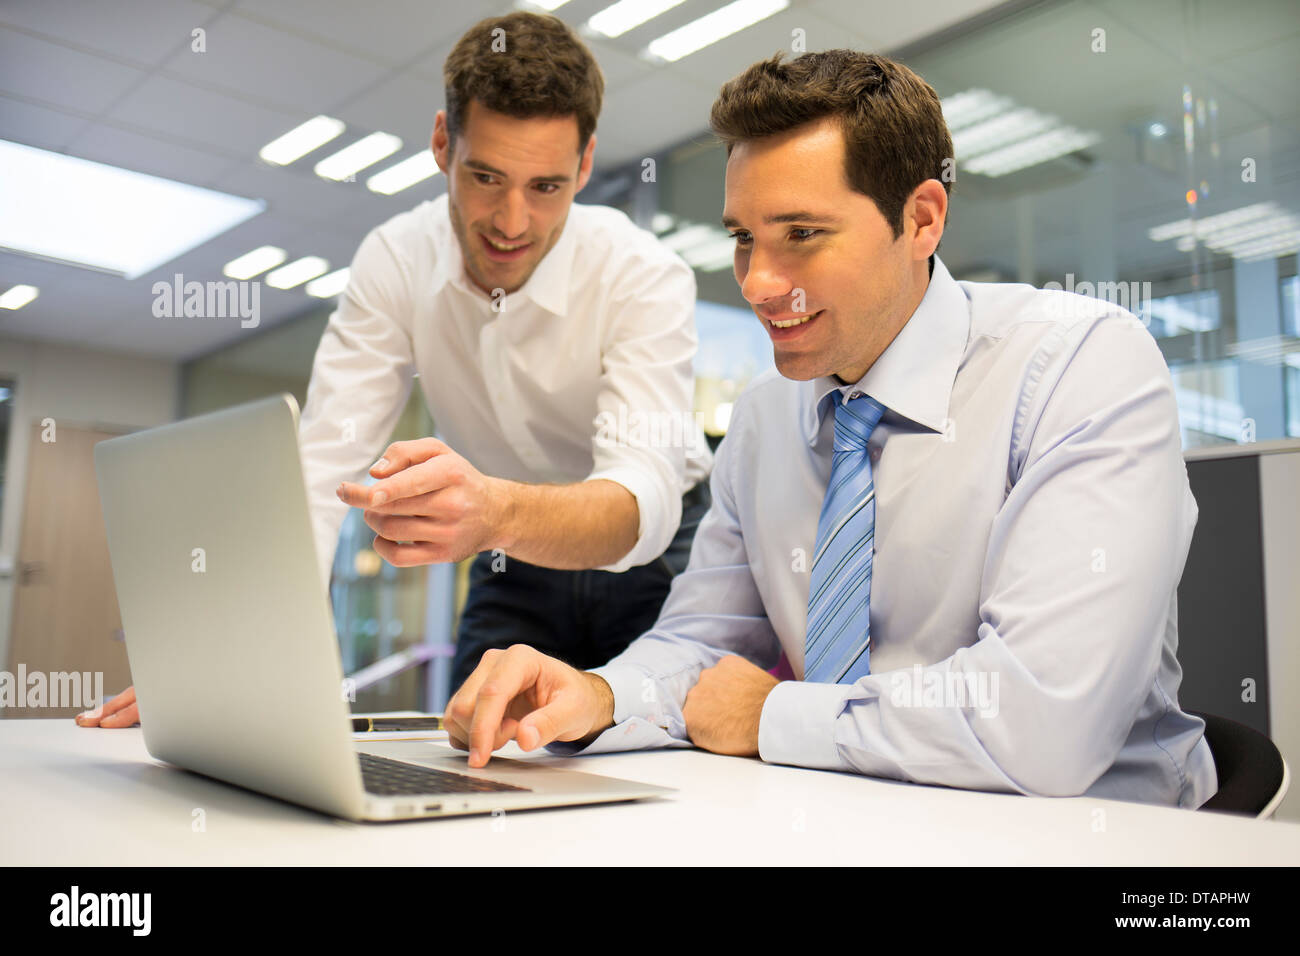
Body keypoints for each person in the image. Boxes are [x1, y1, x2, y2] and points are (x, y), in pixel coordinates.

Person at [441, 50, 1218, 809]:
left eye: (802, 235)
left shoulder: (1080, 367)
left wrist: (774, 715)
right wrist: (598, 693)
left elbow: (1046, 721)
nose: (757, 282)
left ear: (920, 219)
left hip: (1096, 837)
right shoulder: (765, 416)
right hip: (841, 818)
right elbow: (707, 642)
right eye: (744, 237)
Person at [75, 11, 711, 729]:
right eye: (486, 176)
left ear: (586, 166)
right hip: (513, 556)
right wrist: (232, 663)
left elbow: (645, 502)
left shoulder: (642, 274)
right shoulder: (395, 259)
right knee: (479, 750)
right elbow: (321, 472)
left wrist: (497, 512)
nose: (511, 220)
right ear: (443, 143)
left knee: (655, 751)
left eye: (546, 187)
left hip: (663, 554)